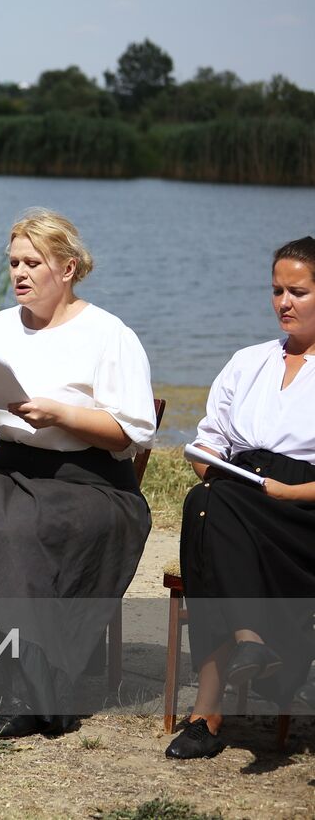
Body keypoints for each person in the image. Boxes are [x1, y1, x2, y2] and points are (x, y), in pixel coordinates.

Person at [0, 208, 155, 738]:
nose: (20, 273)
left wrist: (61, 415)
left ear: (67, 268)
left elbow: (131, 435)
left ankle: (34, 687)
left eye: (33, 262)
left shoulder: (108, 334)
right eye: (13, 263)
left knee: (19, 528)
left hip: (90, 480)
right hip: (11, 469)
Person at [164, 236, 315, 759]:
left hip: (302, 508)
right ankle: (249, 641)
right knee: (208, 501)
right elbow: (210, 439)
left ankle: (206, 712)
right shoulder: (248, 361)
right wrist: (207, 459)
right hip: (240, 490)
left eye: (298, 291)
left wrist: (292, 490)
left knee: (207, 508)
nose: (283, 302)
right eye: (276, 290)